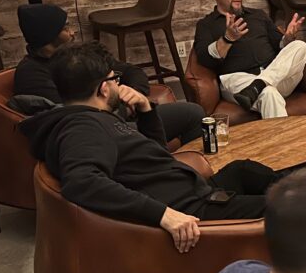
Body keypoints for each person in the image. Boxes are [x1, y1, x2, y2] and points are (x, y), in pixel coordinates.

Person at [20, 42, 283, 253]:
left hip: (193, 192)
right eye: (115, 80)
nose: (118, 85)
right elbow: (82, 182)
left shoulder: (89, 119)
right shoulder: (82, 129)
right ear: (103, 89)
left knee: (243, 169)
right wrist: (164, 215)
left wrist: (146, 112)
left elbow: (154, 157)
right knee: (291, 209)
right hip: (194, 211)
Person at [13, 4, 205, 145]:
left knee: (193, 112)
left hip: (122, 117)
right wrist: (122, 105)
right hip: (101, 133)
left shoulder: (75, 55)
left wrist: (132, 96)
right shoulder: (32, 76)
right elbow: (75, 114)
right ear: (48, 36)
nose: (72, 32)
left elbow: (132, 72)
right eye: (65, 28)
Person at [193, 0, 306, 117]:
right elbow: (205, 58)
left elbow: (280, 45)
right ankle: (284, 139)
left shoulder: (258, 15)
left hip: (276, 77)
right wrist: (228, 38)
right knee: (269, 93)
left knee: (300, 46)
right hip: (239, 80)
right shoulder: (206, 25)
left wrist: (288, 37)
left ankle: (259, 85)